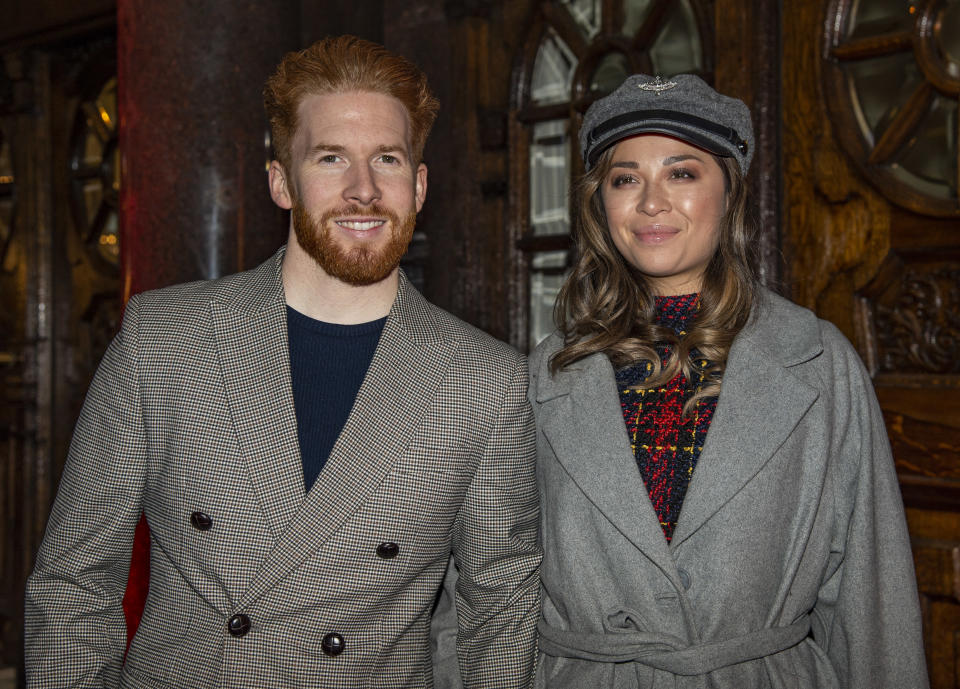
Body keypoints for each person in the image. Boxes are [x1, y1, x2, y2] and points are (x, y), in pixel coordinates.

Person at [25, 35, 540, 688]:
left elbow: (498, 610)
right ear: (281, 182)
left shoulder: (487, 382)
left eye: (387, 158)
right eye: (331, 158)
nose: (363, 189)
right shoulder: (162, 339)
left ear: (418, 184)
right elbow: (74, 582)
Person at [528, 74, 929, 688]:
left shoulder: (818, 362)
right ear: (599, 202)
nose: (651, 202)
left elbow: (872, 596)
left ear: (729, 192)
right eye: (625, 178)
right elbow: (487, 579)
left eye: (682, 173)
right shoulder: (541, 373)